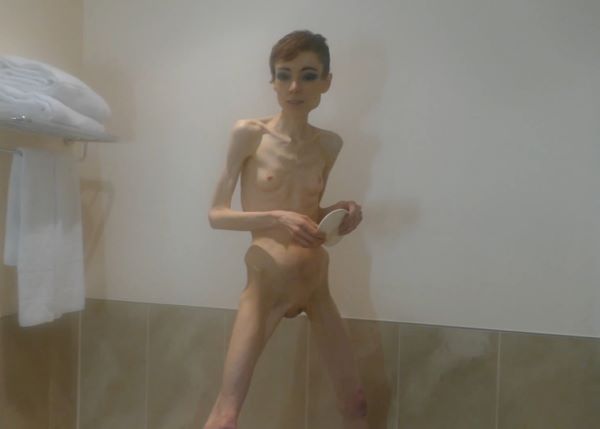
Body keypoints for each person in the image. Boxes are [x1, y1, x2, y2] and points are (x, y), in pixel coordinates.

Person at [204, 30, 367, 429]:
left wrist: (339, 212)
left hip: (315, 282)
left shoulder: (329, 145)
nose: (295, 87)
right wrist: (275, 218)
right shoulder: (249, 134)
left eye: (308, 75)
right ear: (273, 82)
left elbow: (307, 214)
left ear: (326, 81)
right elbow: (216, 215)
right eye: (284, 75)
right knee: (226, 415)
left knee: (356, 405)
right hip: (266, 285)